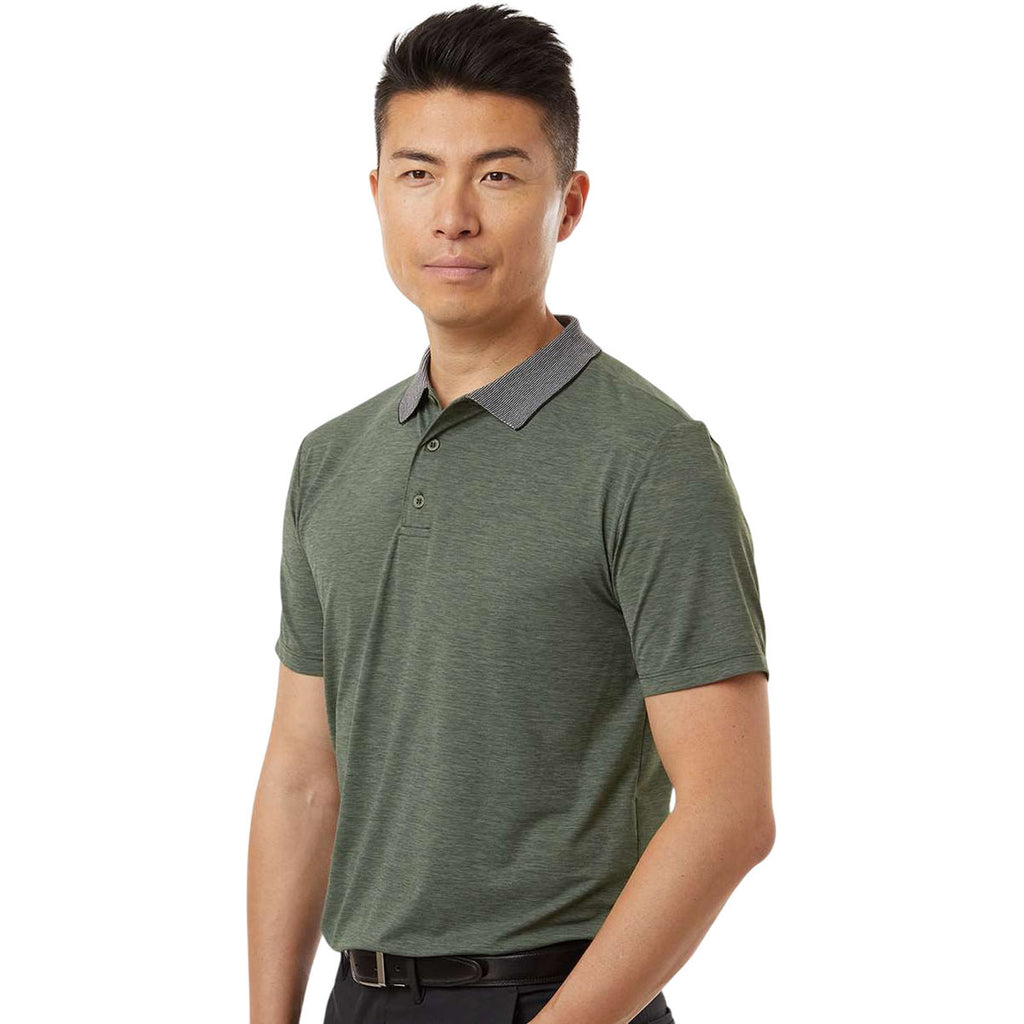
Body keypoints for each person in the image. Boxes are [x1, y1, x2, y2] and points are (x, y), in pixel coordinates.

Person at [247, 5, 775, 1024]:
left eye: (496, 175)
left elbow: (729, 810)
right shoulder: (331, 459)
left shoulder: (652, 457)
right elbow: (304, 776)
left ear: (567, 204)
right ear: (377, 194)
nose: (451, 215)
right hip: (358, 996)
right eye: (417, 173)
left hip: (558, 998)